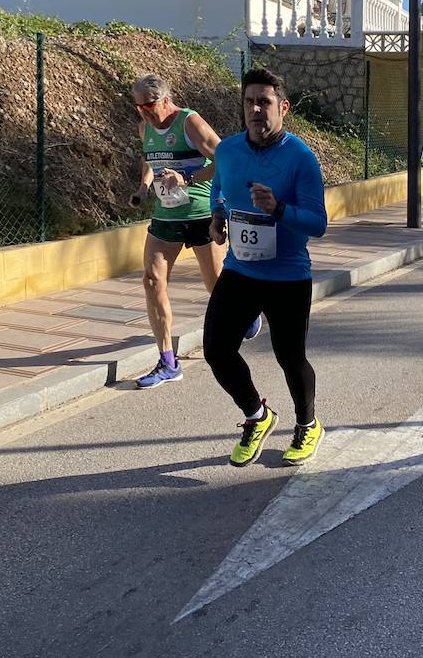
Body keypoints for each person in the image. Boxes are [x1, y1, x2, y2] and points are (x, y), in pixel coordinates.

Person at [204, 68, 328, 468]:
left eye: (265, 102)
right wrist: (217, 215)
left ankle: (307, 423)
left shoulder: (300, 158)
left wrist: (278, 209)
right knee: (216, 349)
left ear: (283, 107)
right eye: (249, 102)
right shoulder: (228, 150)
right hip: (241, 269)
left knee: (290, 358)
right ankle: (257, 415)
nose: (256, 109)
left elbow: (319, 223)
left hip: (288, 274)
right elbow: (219, 188)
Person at [128, 75, 259, 390]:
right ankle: (168, 362)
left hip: (201, 214)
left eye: (148, 105)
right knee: (151, 280)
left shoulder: (189, 123)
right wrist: (143, 188)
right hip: (165, 216)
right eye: (138, 107)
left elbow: (224, 160)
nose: (143, 112)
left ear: (165, 100)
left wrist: (187, 178)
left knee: (216, 285)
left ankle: (245, 313)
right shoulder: (146, 126)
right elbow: (150, 158)